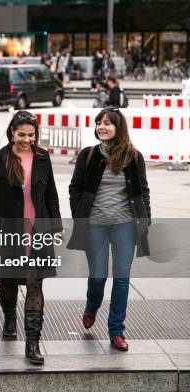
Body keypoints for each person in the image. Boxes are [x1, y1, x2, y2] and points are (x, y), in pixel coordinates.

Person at [67, 108, 151, 351]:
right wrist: (79, 216)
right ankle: (92, 305)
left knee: (122, 277)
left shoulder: (134, 157)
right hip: (95, 226)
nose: (101, 127)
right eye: (98, 123)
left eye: (107, 123)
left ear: (119, 127)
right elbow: (75, 188)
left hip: (124, 225)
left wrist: (146, 220)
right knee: (98, 276)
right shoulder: (88, 155)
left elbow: (142, 191)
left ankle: (116, 331)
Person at [0, 111, 62, 365]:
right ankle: (9, 317)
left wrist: (56, 227)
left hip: (37, 231)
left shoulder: (42, 157)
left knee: (35, 284)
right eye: (21, 135)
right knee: (8, 283)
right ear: (11, 133)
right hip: (9, 231)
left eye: (31, 135)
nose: (27, 140)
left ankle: (32, 343)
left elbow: (51, 193)